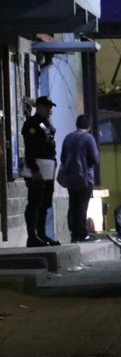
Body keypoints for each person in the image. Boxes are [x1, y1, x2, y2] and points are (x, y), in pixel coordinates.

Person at [21, 96, 59, 247]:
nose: (50, 110)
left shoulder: (45, 123)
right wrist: (34, 169)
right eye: (47, 107)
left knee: (45, 202)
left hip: (48, 164)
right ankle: (32, 236)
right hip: (36, 165)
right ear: (40, 107)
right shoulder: (32, 124)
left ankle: (42, 234)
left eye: (51, 107)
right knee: (35, 202)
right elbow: (30, 149)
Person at [57, 114, 101, 243]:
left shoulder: (68, 138)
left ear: (77, 124)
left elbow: (63, 158)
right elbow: (95, 159)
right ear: (89, 126)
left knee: (73, 204)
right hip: (86, 177)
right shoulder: (88, 138)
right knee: (82, 205)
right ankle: (83, 234)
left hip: (71, 178)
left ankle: (74, 233)